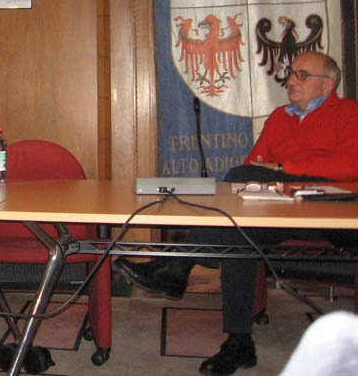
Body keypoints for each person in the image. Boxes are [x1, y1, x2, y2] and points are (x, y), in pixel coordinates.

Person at [115, 51, 358, 375]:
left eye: (301, 75)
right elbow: (254, 167)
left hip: (328, 211)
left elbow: (350, 166)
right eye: (290, 73)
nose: (291, 80)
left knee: (239, 182)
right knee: (237, 232)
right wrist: (266, 176)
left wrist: (282, 168)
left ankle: (176, 266)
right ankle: (238, 341)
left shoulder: (348, 112)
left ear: (327, 85)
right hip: (280, 207)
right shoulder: (279, 117)